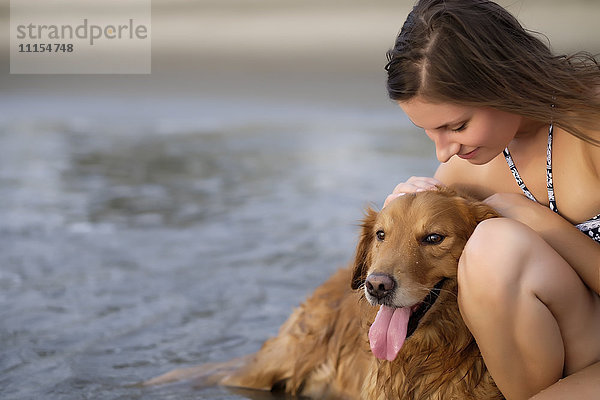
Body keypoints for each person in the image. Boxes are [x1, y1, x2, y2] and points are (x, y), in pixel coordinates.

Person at [381, 1, 600, 399]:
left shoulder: (593, 125)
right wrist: (398, 212)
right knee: (492, 247)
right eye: (428, 132)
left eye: (457, 126)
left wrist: (540, 223)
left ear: (503, 83)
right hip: (580, 348)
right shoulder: (466, 170)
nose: (442, 154)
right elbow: (426, 258)